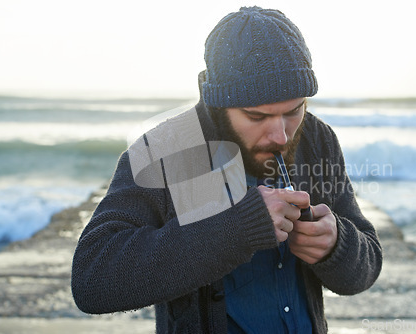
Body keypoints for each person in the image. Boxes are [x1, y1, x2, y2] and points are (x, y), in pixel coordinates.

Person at [71, 6, 382, 334]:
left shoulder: (318, 139)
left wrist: (338, 246)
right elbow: (92, 279)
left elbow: (368, 262)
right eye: (257, 117)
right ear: (219, 106)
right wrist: (240, 228)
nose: (281, 135)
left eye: (294, 111)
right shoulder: (166, 149)